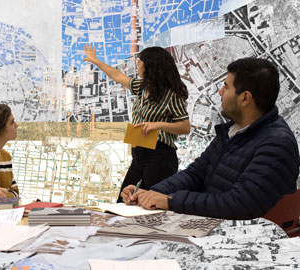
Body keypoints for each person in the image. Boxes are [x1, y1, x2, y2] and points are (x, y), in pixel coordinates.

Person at [121, 57, 300, 220]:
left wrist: (169, 201)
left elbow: (239, 205)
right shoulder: (233, 130)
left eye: (226, 86)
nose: (220, 91)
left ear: (245, 98)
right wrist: (151, 194)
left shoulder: (277, 145)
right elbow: (196, 174)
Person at [83, 44, 190, 202]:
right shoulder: (141, 87)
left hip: (159, 156)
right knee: (124, 201)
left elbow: (185, 127)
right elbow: (118, 76)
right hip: (140, 154)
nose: (138, 65)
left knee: (152, 205)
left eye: (140, 62)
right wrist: (95, 60)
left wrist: (158, 125)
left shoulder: (171, 95)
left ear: (150, 66)